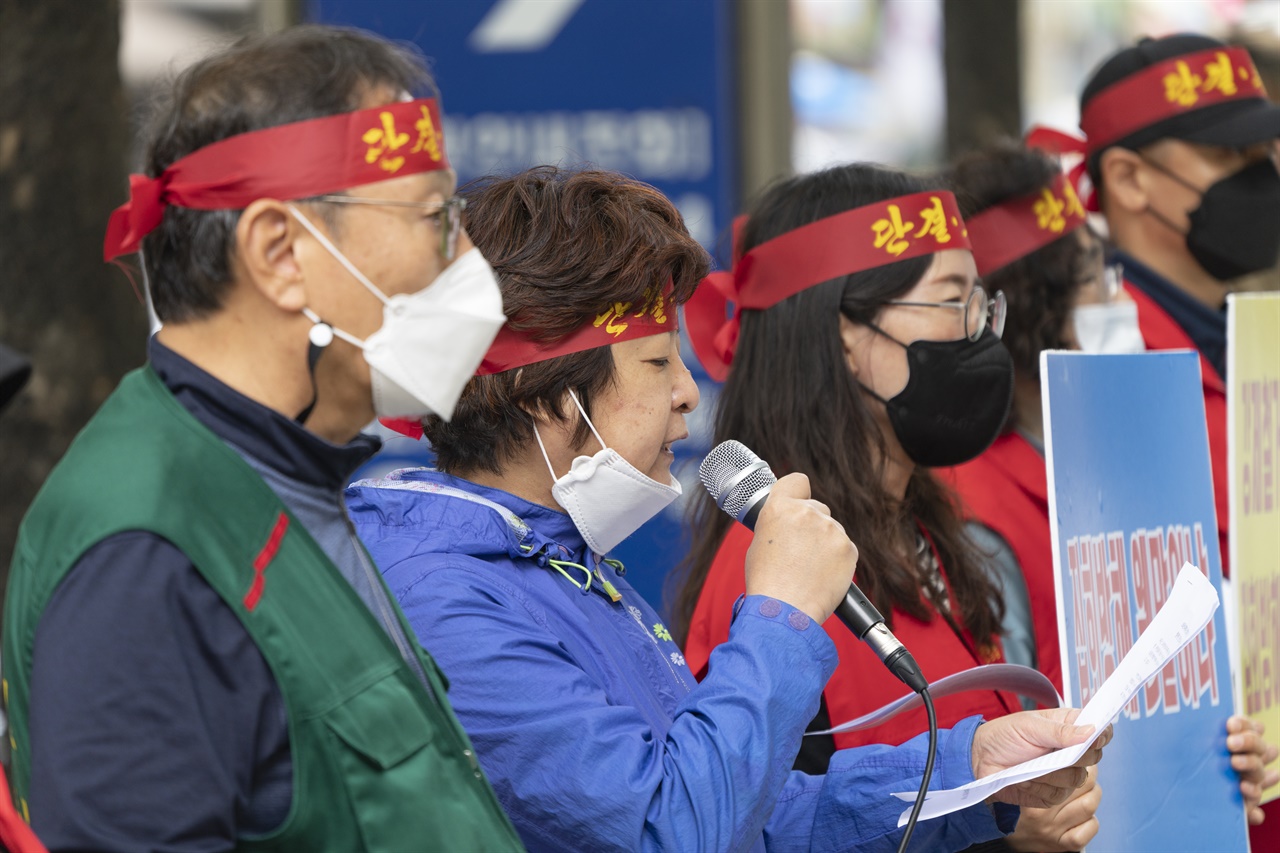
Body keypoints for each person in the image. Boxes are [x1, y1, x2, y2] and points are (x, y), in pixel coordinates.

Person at [350, 166, 1111, 853]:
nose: (687, 390)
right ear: (544, 395)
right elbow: (673, 829)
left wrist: (971, 771)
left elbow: (760, 816)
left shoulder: (558, 566)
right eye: (655, 361)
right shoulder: (441, 597)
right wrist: (779, 614)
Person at [1, 26, 523, 851]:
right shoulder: (147, 555)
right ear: (281, 252)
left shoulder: (276, 473)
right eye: (436, 217)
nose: (466, 256)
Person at [674, 162, 1109, 852]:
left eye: (981, 305)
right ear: (845, 333)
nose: (981, 335)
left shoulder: (923, 528)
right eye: (951, 302)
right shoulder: (770, 575)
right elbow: (758, 827)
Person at [1032, 34, 1280, 837]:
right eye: (1227, 155)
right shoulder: (1086, 367)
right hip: (1194, 801)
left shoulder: (1253, 339)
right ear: (1131, 178)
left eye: (1264, 148)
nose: (1261, 175)